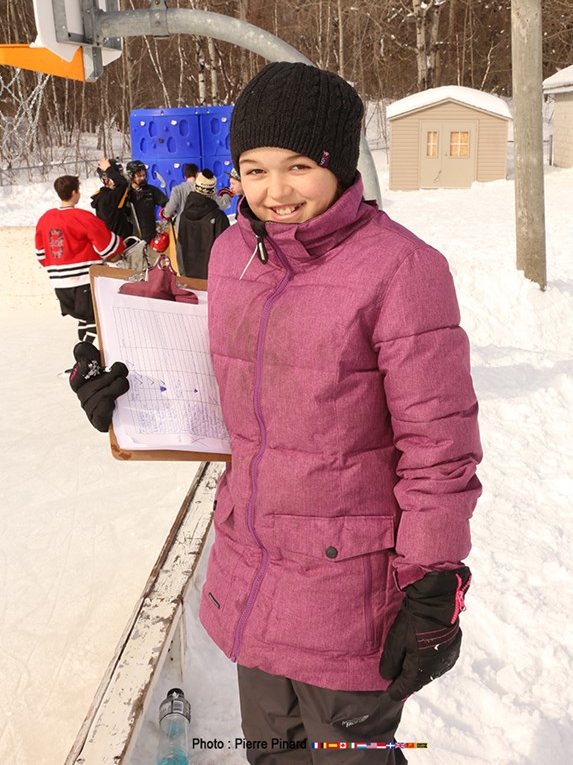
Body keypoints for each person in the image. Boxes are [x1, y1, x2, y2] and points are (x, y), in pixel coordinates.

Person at [70, 63, 483, 763]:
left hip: (347, 592)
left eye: (297, 166)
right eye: (254, 170)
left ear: (339, 163)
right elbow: (215, 386)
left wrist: (434, 582)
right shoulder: (234, 252)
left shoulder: (402, 269)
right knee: (271, 756)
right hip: (250, 572)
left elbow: (438, 444)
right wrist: (125, 396)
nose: (274, 191)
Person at [35, 174, 123, 343]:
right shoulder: (83, 217)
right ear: (75, 192)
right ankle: (87, 358)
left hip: (59, 285)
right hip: (83, 282)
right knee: (95, 319)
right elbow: (107, 247)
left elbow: (41, 254)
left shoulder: (45, 219)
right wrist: (121, 244)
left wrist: (59, 265)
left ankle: (85, 355)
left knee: (83, 319)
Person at [177, 168, 230, 279]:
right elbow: (225, 252)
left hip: (189, 275)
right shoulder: (219, 217)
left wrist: (183, 274)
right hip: (212, 278)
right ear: (212, 192)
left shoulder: (183, 216)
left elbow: (180, 247)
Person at [162, 162, 199, 271]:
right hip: (200, 229)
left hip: (183, 229)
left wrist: (165, 213)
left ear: (185, 176)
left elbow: (168, 211)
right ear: (197, 174)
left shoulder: (177, 189)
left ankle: (184, 279)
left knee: (183, 260)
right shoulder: (203, 188)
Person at [126, 160, 169, 243]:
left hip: (150, 237)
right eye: (139, 175)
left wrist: (168, 211)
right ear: (131, 175)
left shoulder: (151, 190)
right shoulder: (126, 192)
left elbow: (165, 202)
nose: (142, 178)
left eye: (144, 175)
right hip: (132, 239)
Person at [90, 157, 133, 239]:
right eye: (116, 175)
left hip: (123, 240)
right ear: (105, 180)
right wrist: (108, 169)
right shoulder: (106, 198)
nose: (120, 177)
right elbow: (122, 184)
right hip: (119, 244)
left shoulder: (110, 195)